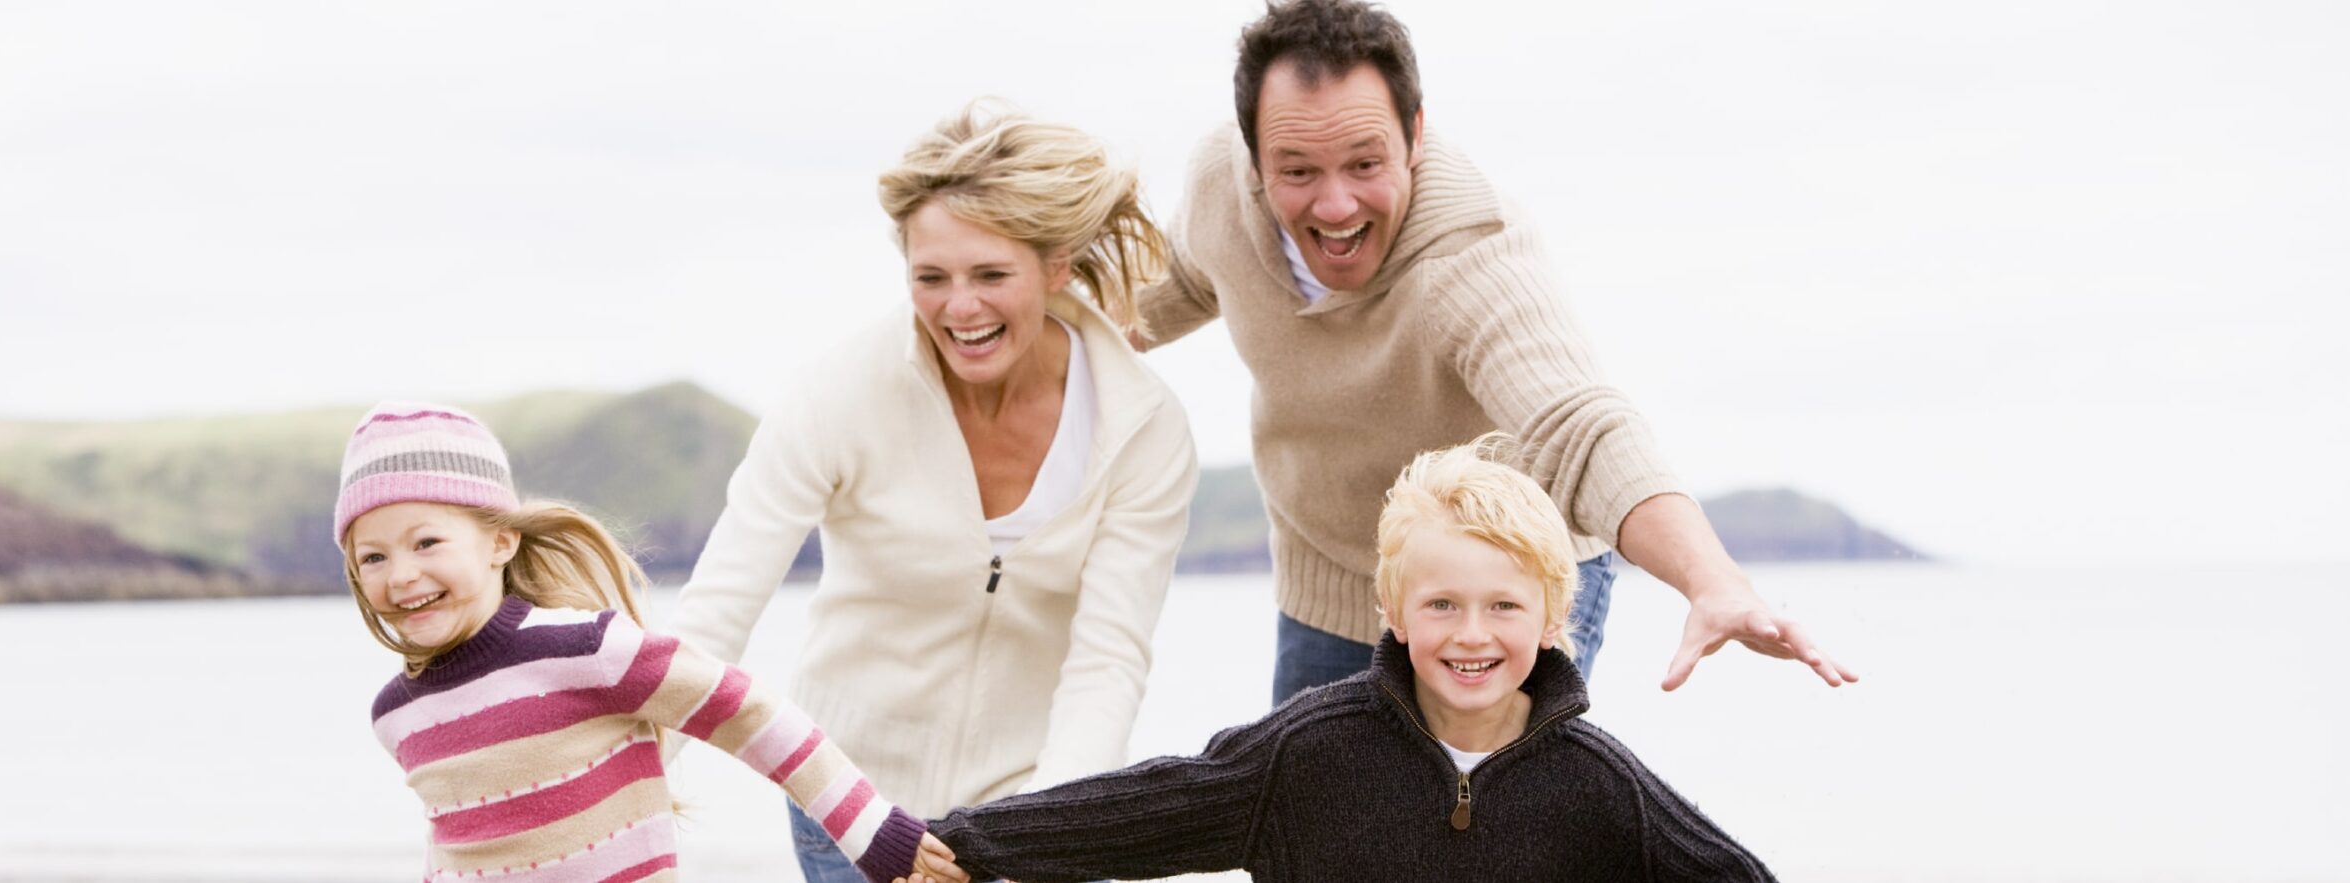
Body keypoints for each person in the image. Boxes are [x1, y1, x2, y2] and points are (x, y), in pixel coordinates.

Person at [1135, 0, 1855, 702]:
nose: (1334, 206)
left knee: (1481, 810)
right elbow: (1166, 289)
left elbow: (1582, 426)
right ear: (1253, 159)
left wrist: (1713, 580)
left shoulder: (1471, 258)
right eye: (1297, 172)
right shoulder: (1218, 191)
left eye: (1364, 164)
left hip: (1501, 581)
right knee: (1318, 816)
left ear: (1415, 135)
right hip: (1334, 569)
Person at [671, 101, 1198, 883]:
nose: (961, 308)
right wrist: (607, 787)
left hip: (1024, 812)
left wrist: (1037, 841)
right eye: (932, 277)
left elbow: (1107, 662)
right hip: (851, 809)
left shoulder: (1141, 427)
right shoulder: (839, 395)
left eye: (991, 274)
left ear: (1055, 267)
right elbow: (715, 615)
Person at [922, 432, 1774, 881]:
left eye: (1504, 606)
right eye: (1441, 603)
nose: (1471, 633)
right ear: (1392, 611)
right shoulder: (1308, 752)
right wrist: (964, 842)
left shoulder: (1599, 785)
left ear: (1555, 617)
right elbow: (1148, 808)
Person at [333, 402, 961, 883]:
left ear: (500, 542)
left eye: (427, 542)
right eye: (373, 556)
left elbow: (753, 714)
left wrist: (871, 830)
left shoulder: (585, 650)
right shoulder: (397, 716)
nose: (402, 575)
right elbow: (452, 850)